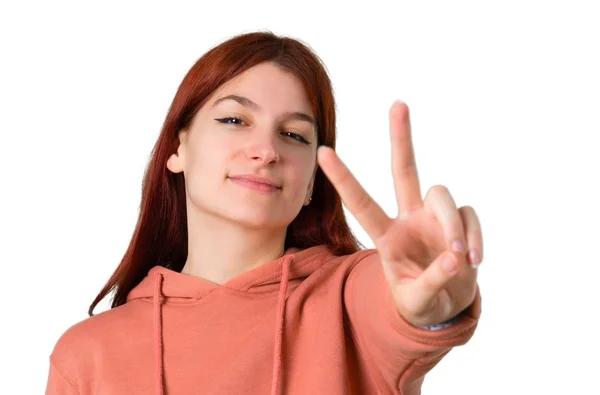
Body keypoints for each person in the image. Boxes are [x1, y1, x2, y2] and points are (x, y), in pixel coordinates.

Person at [45, 30, 483, 395]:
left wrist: (425, 304)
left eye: (293, 134)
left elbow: (395, 307)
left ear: (312, 180)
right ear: (178, 148)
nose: (267, 150)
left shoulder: (350, 300)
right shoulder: (87, 355)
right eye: (235, 120)